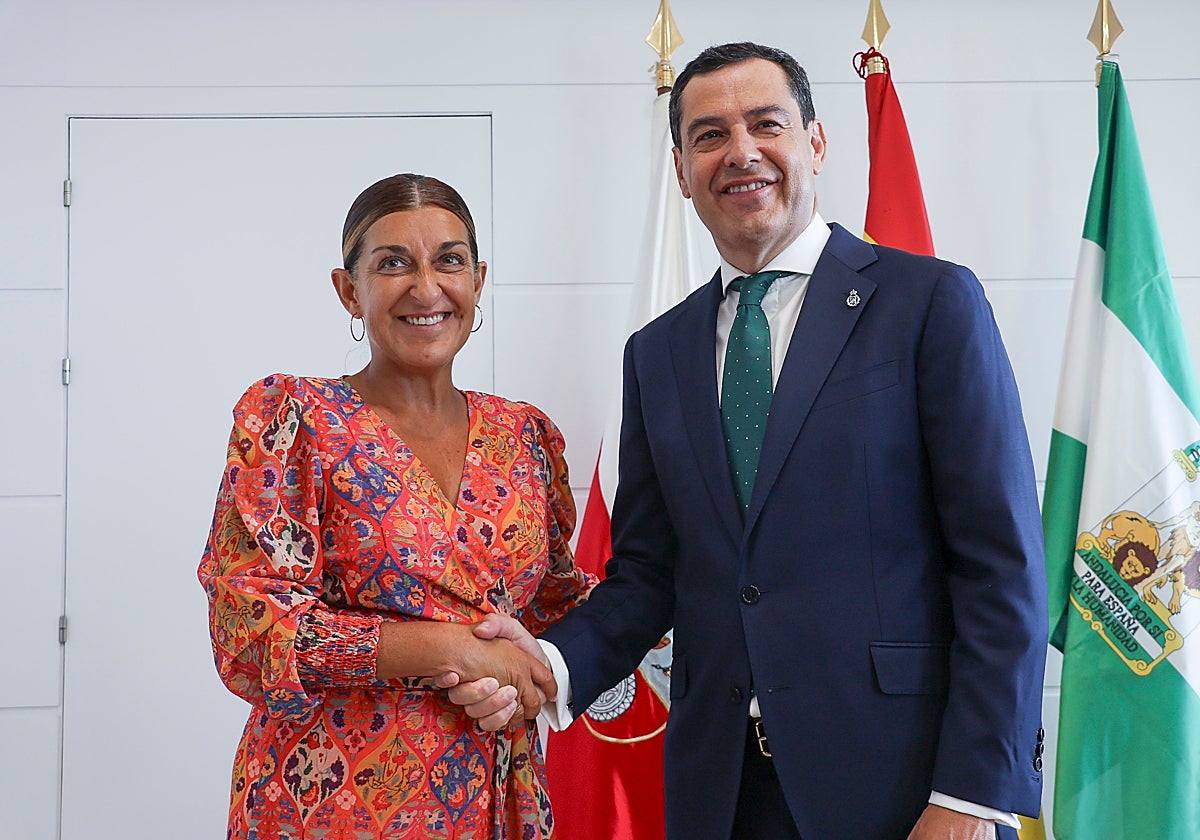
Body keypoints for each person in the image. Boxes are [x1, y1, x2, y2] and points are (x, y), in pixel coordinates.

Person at [446, 43, 1048, 840]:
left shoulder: (930, 304)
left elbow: (1002, 566)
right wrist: (548, 665)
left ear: (816, 143)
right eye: (709, 135)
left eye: (766, 124)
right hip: (723, 794)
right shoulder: (657, 352)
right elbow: (648, 575)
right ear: (681, 168)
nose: (740, 152)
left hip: (906, 790)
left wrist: (970, 796)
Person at [198, 173, 593, 840]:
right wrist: (447, 649)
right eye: (393, 264)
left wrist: (539, 676)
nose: (426, 287)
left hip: (498, 797)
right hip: (333, 804)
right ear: (348, 290)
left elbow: (557, 604)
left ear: (478, 281)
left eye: (449, 260)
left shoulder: (524, 435)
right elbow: (250, 631)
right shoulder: (295, 421)